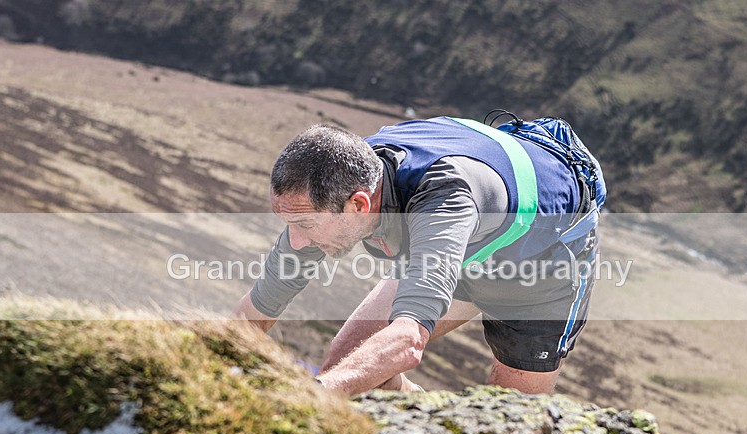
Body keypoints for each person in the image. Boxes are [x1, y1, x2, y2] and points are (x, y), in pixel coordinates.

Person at [234, 115, 605, 396]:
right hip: (456, 242)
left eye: (306, 227)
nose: (295, 241)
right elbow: (258, 309)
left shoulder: (444, 200)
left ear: (359, 205)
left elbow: (407, 341)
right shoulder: (334, 180)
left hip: (539, 263)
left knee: (508, 412)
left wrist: (311, 398)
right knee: (351, 363)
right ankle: (423, 420)